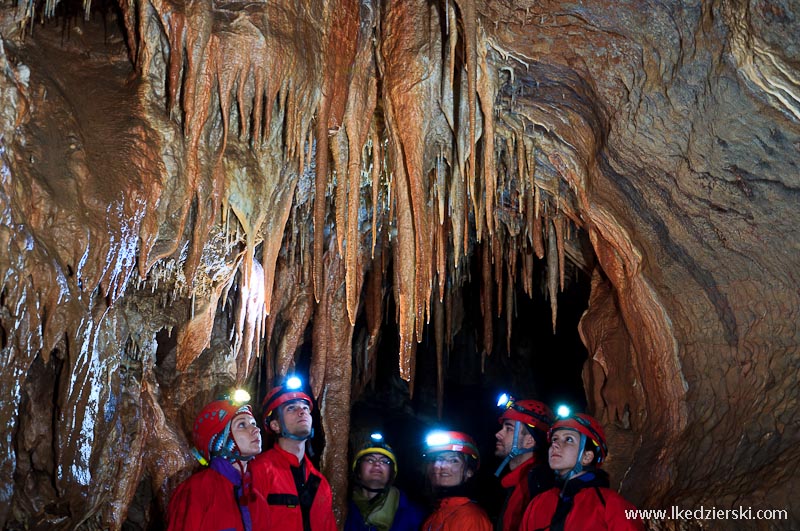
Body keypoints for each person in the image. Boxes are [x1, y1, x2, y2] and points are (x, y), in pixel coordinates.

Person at [520, 412, 644, 531]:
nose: (555, 445)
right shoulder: (537, 504)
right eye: (554, 439)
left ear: (587, 457)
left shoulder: (611, 505)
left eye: (568, 439)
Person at [166, 390, 267, 531]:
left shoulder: (256, 499)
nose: (256, 429)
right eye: (242, 425)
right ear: (221, 441)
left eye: (253, 423)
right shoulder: (196, 490)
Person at [250, 376, 337, 531]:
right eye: (291, 408)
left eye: (304, 408)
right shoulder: (259, 471)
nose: (301, 412)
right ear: (275, 425)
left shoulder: (320, 483)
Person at [493, 394, 555, 531]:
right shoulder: (517, 483)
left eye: (509, 429)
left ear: (530, 441)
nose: (498, 434)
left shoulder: (539, 485)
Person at [344, 432, 425, 531]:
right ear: (358, 471)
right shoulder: (342, 507)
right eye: (370, 460)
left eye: (384, 461)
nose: (377, 464)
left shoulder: (413, 514)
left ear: (391, 473)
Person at [421, 430, 492, 531]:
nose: (439, 466)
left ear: (469, 471)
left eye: (453, 460)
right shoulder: (436, 513)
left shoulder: (469, 517)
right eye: (436, 459)